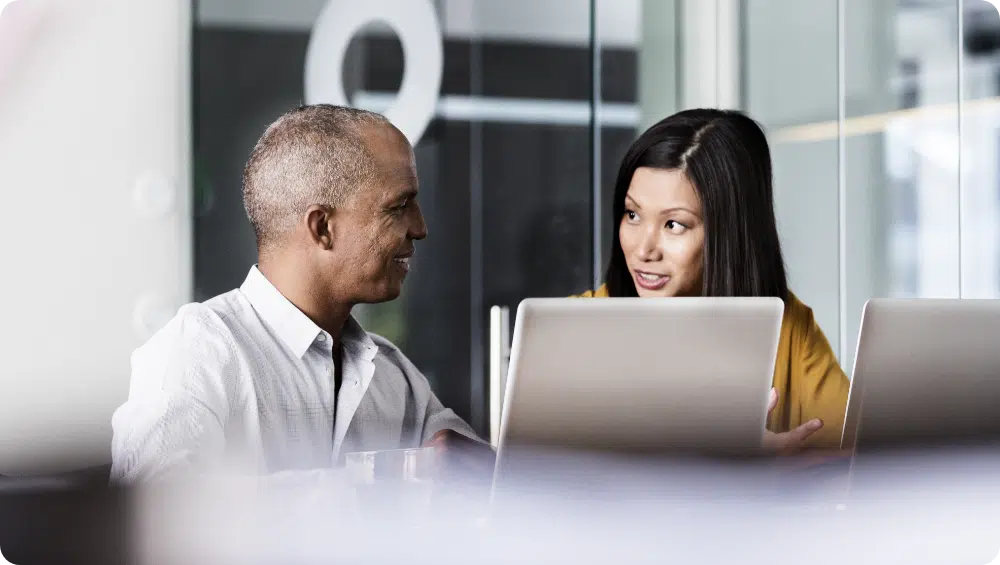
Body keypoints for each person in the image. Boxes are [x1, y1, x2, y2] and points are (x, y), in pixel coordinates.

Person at [111, 105, 489, 484]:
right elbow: (158, 517)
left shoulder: (395, 378)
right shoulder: (197, 351)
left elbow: (497, 484)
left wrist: (481, 473)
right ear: (322, 227)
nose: (420, 228)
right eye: (399, 206)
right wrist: (374, 487)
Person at [578, 108, 849, 452]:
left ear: (729, 234)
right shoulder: (579, 326)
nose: (643, 249)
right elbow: (545, 478)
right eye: (632, 215)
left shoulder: (789, 326)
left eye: (673, 224)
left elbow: (854, 460)